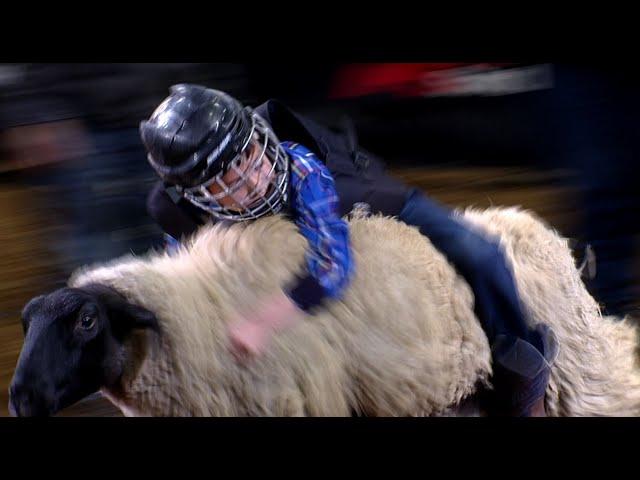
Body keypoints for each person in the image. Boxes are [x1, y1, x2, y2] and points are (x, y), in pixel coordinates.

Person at [140, 84, 558, 416]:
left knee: (480, 251)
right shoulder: (187, 226)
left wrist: (261, 323)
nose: (254, 181)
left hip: (360, 202)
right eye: (226, 182)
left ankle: (522, 376)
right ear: (195, 197)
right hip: (296, 305)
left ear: (258, 135)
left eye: (250, 156)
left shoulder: (298, 167)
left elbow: (332, 268)